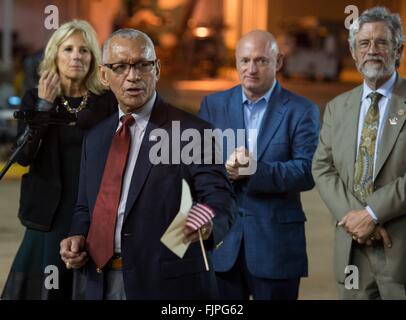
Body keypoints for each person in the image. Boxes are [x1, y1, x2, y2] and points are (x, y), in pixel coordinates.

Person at [59, 29, 235, 300]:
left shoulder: (189, 133)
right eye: (120, 67)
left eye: (143, 64)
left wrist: (207, 222)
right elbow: (85, 208)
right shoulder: (95, 138)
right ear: (104, 76)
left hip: (165, 285)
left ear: (157, 69)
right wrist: (76, 236)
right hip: (97, 281)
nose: (133, 76)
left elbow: (219, 199)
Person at [198, 30, 320, 300]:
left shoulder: (301, 110)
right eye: (244, 60)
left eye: (261, 61)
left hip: (275, 246)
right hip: (223, 246)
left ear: (278, 62)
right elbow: (199, 166)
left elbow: (306, 171)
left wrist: (255, 170)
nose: (251, 69)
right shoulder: (213, 105)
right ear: (236, 62)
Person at [1, 20, 117, 300]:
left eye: (84, 50)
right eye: (68, 49)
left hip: (91, 209)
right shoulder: (34, 99)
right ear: (54, 54)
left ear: (93, 58)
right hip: (48, 213)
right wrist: (43, 106)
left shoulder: (107, 102)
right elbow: (24, 156)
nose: (76, 56)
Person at [312, 7, 406, 299]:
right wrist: (355, 219)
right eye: (364, 44)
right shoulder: (338, 107)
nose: (372, 50)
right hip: (352, 250)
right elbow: (322, 167)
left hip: (399, 251)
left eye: (382, 42)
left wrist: (373, 213)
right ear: (353, 53)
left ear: (398, 49)